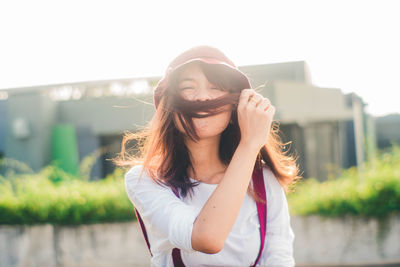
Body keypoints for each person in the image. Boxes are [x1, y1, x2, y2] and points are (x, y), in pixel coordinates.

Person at [114, 46, 301, 267]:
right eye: (188, 87)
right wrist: (249, 145)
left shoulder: (264, 180)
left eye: (215, 87)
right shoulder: (146, 180)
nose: (203, 97)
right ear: (169, 107)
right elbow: (207, 238)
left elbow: (278, 258)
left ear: (236, 107)